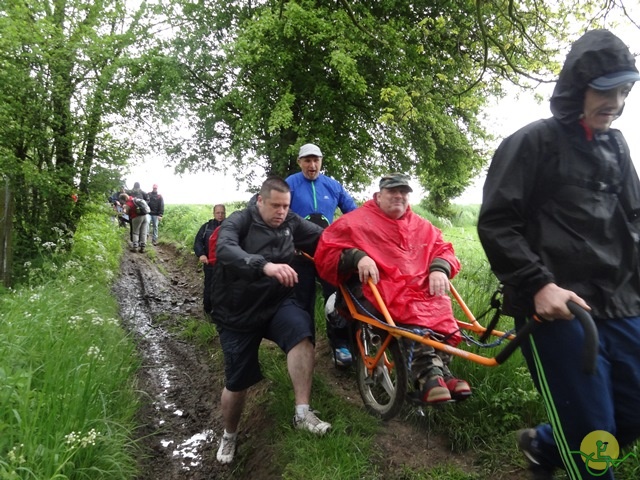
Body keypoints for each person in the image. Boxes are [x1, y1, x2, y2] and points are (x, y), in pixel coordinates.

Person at [477, 29, 640, 480]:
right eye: (607, 89)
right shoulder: (533, 143)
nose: (617, 101)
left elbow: (634, 220)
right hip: (558, 310)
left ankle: (543, 445)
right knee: (591, 433)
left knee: (631, 413)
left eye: (625, 90)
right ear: (578, 86)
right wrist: (538, 285)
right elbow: (496, 222)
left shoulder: (618, 147)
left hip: (621, 303)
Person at [314, 173, 471, 405]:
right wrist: (357, 257)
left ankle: (441, 373)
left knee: (441, 310)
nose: (399, 196)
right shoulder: (355, 221)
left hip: (417, 288)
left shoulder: (421, 225)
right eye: (393, 192)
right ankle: (428, 376)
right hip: (378, 288)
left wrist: (440, 268)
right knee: (409, 316)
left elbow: (443, 248)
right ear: (378, 196)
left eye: (404, 192)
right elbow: (327, 251)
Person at [210, 177, 330, 464]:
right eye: (275, 205)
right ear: (260, 201)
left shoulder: (290, 221)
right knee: (238, 381)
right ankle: (230, 434)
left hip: (276, 304)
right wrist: (264, 265)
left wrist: (360, 253)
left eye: (285, 206)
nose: (281, 212)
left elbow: (324, 237)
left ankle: (302, 413)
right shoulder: (238, 222)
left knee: (301, 332)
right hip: (237, 312)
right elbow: (225, 250)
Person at [286, 143, 358, 367]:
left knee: (335, 300)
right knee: (302, 301)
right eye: (307, 160)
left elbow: (353, 213)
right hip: (299, 254)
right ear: (300, 162)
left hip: (328, 254)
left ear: (321, 161)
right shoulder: (290, 184)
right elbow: (276, 210)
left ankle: (340, 347)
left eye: (316, 160)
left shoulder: (332, 185)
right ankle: (304, 346)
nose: (312, 165)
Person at [193, 204, 226, 315]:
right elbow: (198, 242)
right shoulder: (206, 227)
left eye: (222, 212)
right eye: (218, 212)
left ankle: (222, 312)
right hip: (209, 263)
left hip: (225, 264)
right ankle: (207, 311)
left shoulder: (230, 226)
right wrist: (201, 254)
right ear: (213, 213)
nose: (220, 215)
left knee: (225, 288)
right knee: (209, 286)